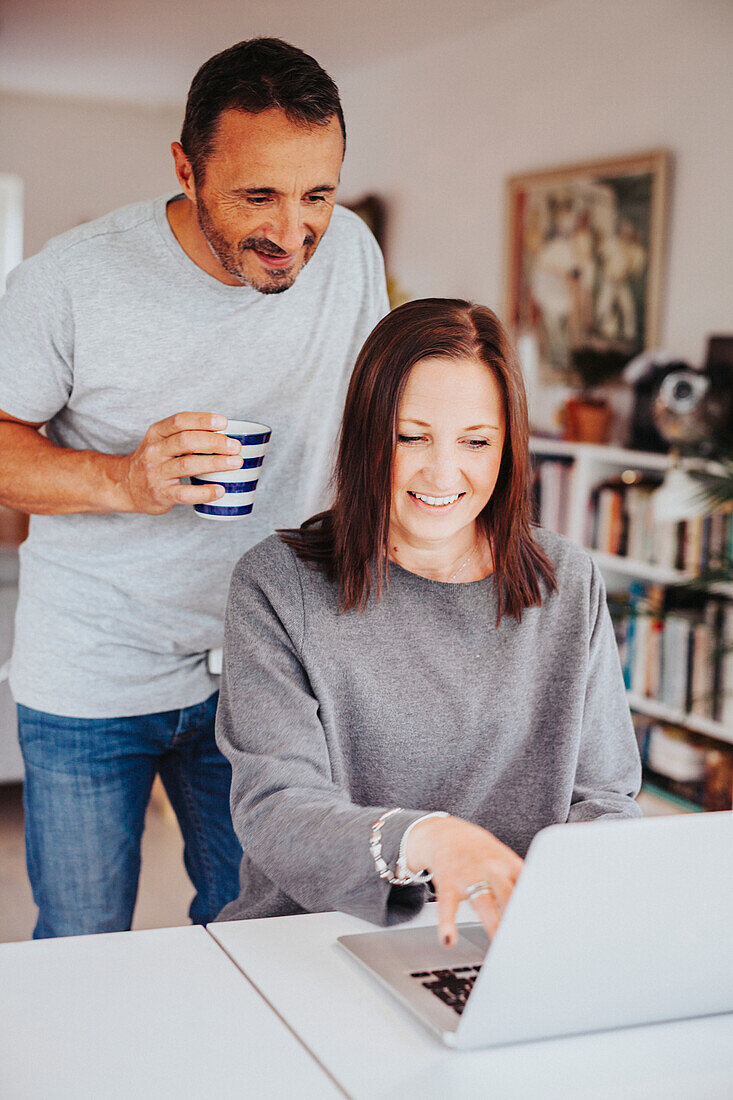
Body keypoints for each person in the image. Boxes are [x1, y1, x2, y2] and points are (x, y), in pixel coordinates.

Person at [0, 38, 389, 938]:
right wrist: (124, 480)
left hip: (263, 663)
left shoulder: (352, 255)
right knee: (83, 940)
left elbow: (374, 415)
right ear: (185, 167)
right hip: (91, 667)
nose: (292, 232)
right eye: (258, 194)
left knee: (256, 926)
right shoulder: (71, 279)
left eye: (317, 195)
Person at [215, 298, 641, 946]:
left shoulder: (565, 580)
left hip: (505, 938)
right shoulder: (275, 586)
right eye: (410, 437)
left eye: (475, 441)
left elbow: (606, 799)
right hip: (315, 937)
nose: (443, 472)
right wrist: (425, 839)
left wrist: (546, 928)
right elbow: (276, 811)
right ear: (366, 436)